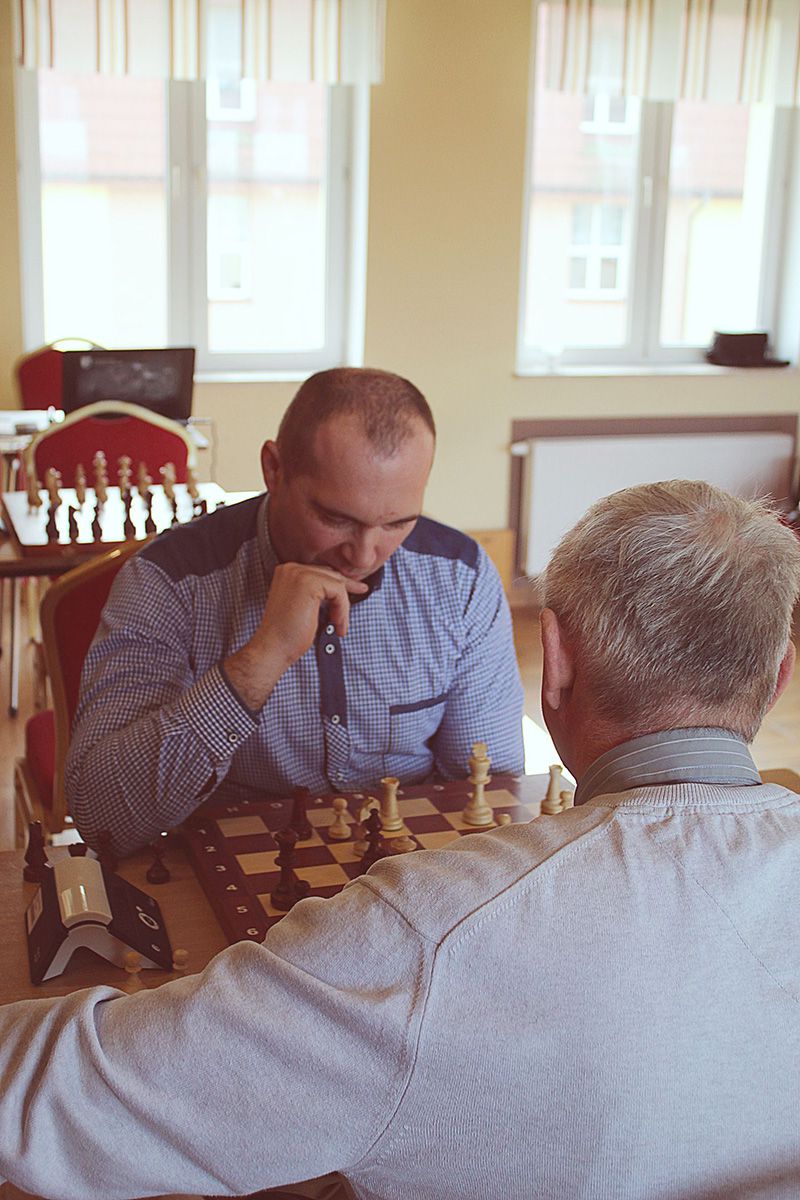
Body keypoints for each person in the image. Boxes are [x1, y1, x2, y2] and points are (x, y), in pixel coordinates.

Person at [3, 478, 800, 1200]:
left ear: (552, 662)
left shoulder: (423, 934)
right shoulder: (175, 580)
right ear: (778, 678)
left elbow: (61, 1098)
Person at [65, 367, 524, 856]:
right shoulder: (170, 580)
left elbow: (490, 790)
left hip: (404, 869)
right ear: (273, 469)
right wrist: (262, 657)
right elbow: (101, 818)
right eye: (335, 518)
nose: (364, 555)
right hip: (231, 866)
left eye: (397, 523)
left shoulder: (461, 577)